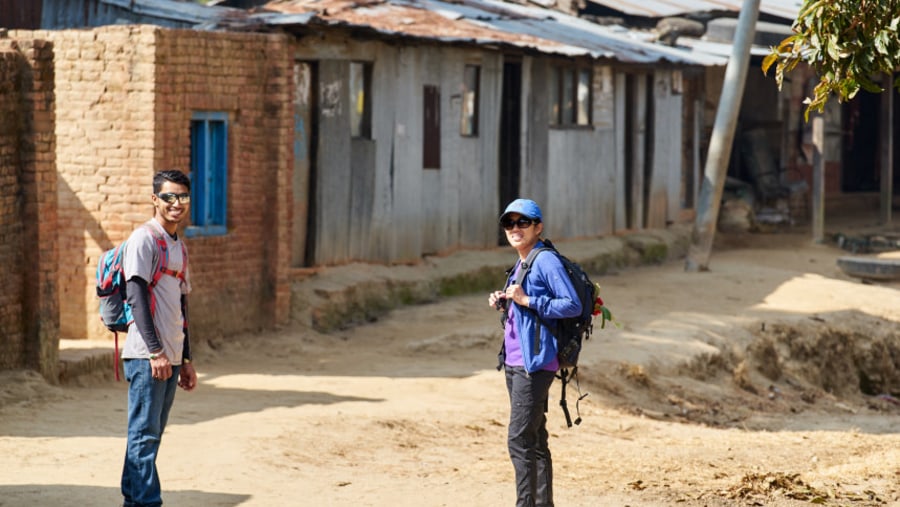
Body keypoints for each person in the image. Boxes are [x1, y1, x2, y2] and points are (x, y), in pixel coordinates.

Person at [488, 198, 582, 507]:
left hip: (537, 363)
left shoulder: (545, 260)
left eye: (522, 222)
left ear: (537, 227)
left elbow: (571, 304)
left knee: (518, 439)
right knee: (535, 439)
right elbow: (526, 302)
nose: (515, 229)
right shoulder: (523, 259)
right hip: (516, 361)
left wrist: (528, 301)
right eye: (509, 223)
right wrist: (506, 300)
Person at [120, 169, 197, 507]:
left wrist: (186, 359)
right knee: (144, 435)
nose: (175, 203)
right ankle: (149, 503)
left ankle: (133, 501)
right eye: (168, 197)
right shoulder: (144, 239)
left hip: (171, 354)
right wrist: (156, 352)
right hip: (146, 355)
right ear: (155, 199)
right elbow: (135, 296)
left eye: (181, 196)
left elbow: (181, 305)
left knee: (149, 437)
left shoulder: (178, 245)